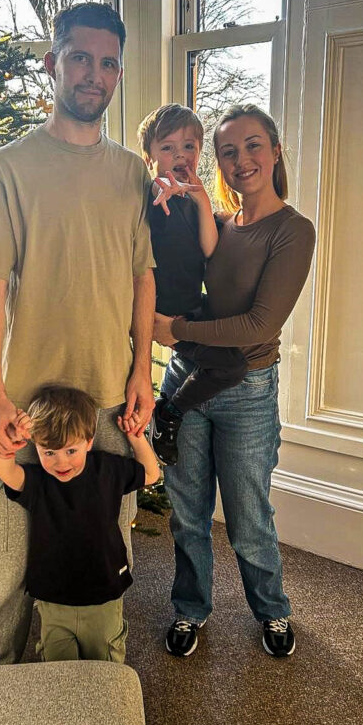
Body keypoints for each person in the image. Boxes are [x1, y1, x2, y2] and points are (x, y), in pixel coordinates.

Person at [0, 2, 156, 666]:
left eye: (106, 62)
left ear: (117, 73)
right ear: (53, 63)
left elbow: (142, 280)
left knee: (105, 554)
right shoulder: (6, 168)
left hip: (109, 406)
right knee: (12, 568)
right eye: (79, 57)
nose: (92, 73)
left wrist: (139, 374)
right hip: (29, 405)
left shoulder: (132, 173)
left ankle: (98, 693)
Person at [153, 104, 316, 659]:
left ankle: (272, 611)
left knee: (248, 518)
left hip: (246, 391)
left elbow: (259, 325)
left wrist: (174, 328)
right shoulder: (218, 225)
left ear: (273, 150)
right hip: (184, 381)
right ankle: (189, 610)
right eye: (228, 151)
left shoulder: (293, 231)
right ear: (217, 162)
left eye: (252, 146)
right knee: (187, 512)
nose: (241, 159)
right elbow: (173, 267)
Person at [0, 385, 160, 662]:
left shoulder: (107, 469)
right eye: (49, 453)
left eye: (71, 450)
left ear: (89, 441)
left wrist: (135, 438)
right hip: (54, 598)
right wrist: (8, 444)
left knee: (105, 665)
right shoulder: (39, 481)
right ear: (36, 446)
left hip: (104, 593)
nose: (61, 462)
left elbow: (151, 474)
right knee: (59, 674)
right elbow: (7, 473)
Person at [137, 103, 248, 465]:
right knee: (231, 366)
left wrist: (199, 195)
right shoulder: (152, 199)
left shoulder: (188, 199)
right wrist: (158, 190)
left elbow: (209, 248)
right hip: (165, 309)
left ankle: (171, 405)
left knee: (232, 335)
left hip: (191, 302)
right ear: (150, 156)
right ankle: (167, 411)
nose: (180, 155)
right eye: (167, 148)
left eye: (188, 146)